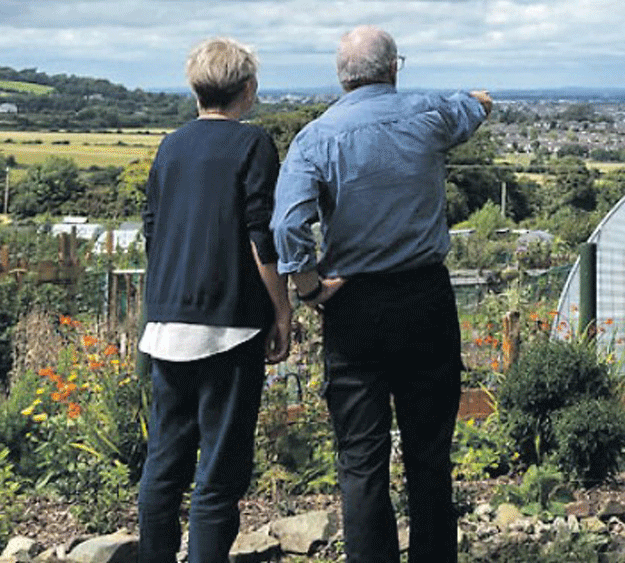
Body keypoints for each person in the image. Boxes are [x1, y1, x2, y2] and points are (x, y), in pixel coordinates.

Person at [272, 25, 492, 563]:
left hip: (352, 305)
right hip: (425, 298)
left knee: (361, 458)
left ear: (341, 76)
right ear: (395, 69)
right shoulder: (429, 114)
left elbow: (287, 226)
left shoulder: (315, 138)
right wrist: (481, 100)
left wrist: (307, 287)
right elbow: (474, 105)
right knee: (429, 453)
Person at [137, 37, 290, 563]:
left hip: (165, 322)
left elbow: (153, 233)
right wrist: (282, 311)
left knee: (164, 465)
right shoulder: (254, 146)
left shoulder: (170, 146)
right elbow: (260, 238)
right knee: (218, 474)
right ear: (247, 89)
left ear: (196, 87)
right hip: (230, 323)